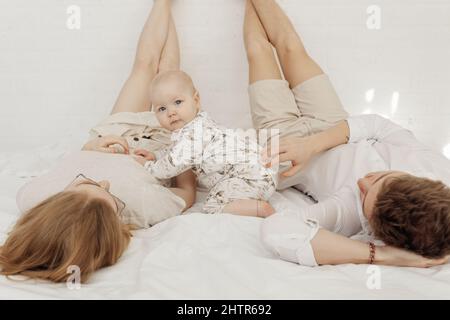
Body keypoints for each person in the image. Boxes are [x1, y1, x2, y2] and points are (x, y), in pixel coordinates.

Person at [0, 0, 196, 283]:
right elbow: (187, 194)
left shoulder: (31, 197)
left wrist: (90, 149)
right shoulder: (145, 207)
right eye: (113, 201)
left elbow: (68, 163)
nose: (104, 183)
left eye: (87, 183)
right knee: (168, 72)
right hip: (158, 141)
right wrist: (183, 149)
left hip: (111, 136)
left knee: (143, 67)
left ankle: (162, 2)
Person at [243, 0, 450, 267]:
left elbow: (278, 231)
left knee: (258, 51)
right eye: (379, 178)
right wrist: (314, 144)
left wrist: (383, 256)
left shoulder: (348, 213)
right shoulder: (433, 167)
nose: (362, 183)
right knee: (291, 47)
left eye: (365, 197)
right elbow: (377, 125)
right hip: (334, 125)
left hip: (286, 146)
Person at [134, 70, 277, 217]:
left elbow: (172, 166)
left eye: (177, 102)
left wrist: (148, 166)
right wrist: (156, 155)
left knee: (212, 205)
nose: (171, 112)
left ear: (196, 100)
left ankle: (261, 208)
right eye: (162, 109)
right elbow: (176, 151)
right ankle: (252, 198)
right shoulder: (198, 123)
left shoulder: (194, 134)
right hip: (258, 173)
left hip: (249, 176)